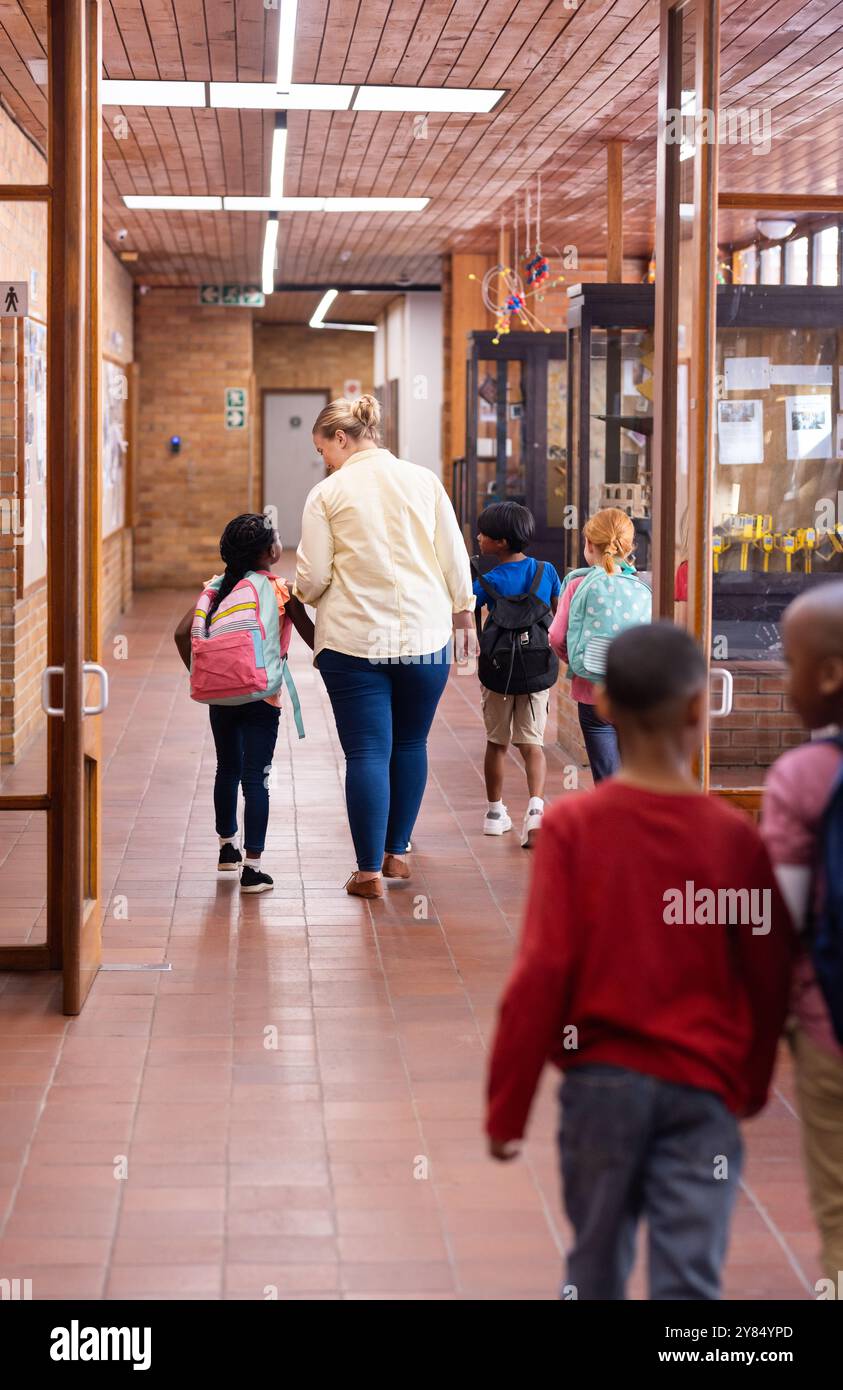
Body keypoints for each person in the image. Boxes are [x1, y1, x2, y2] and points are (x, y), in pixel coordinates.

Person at [485, 622, 793, 1300]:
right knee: (689, 1274)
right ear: (698, 707)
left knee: (594, 1261)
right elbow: (768, 975)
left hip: (600, 1088)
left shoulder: (572, 829)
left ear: (602, 707)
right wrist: (749, 1078)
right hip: (700, 1088)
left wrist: (507, 1110)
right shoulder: (732, 839)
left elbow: (541, 972)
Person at [294, 394, 475, 900]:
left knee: (367, 751)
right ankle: (398, 854)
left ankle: (368, 872)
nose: (323, 460)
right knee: (411, 743)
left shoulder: (327, 494)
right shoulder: (424, 480)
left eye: (323, 449)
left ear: (342, 438)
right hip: (426, 639)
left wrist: (298, 593)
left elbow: (313, 579)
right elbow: (454, 558)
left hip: (354, 641)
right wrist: (463, 610)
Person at [760, 581, 843, 1283]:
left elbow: (780, 918)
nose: (783, 679)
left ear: (830, 674)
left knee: (838, 1205)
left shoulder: (802, 777)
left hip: (829, 1029)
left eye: (789, 663)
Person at [174, 514, 313, 893]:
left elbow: (182, 632)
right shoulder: (280, 589)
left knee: (227, 768)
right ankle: (253, 869)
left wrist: (205, 671)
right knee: (257, 779)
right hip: (262, 696)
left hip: (222, 696)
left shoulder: (217, 587)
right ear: (271, 551)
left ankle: (226, 850)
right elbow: (313, 637)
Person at [473, 501, 561, 847]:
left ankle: (495, 813)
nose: (479, 537)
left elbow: (467, 609)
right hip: (536, 668)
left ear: (501, 542)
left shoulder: (488, 580)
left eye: (485, 534)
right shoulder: (546, 571)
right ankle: (536, 811)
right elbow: (554, 614)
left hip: (498, 669)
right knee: (532, 744)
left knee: (497, 742)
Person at [549, 507, 647, 783]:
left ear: (589, 545)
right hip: (633, 694)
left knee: (606, 780)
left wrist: (578, 660)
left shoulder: (577, 583)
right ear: (628, 546)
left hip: (592, 693)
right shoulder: (639, 585)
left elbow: (556, 637)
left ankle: (612, 822)